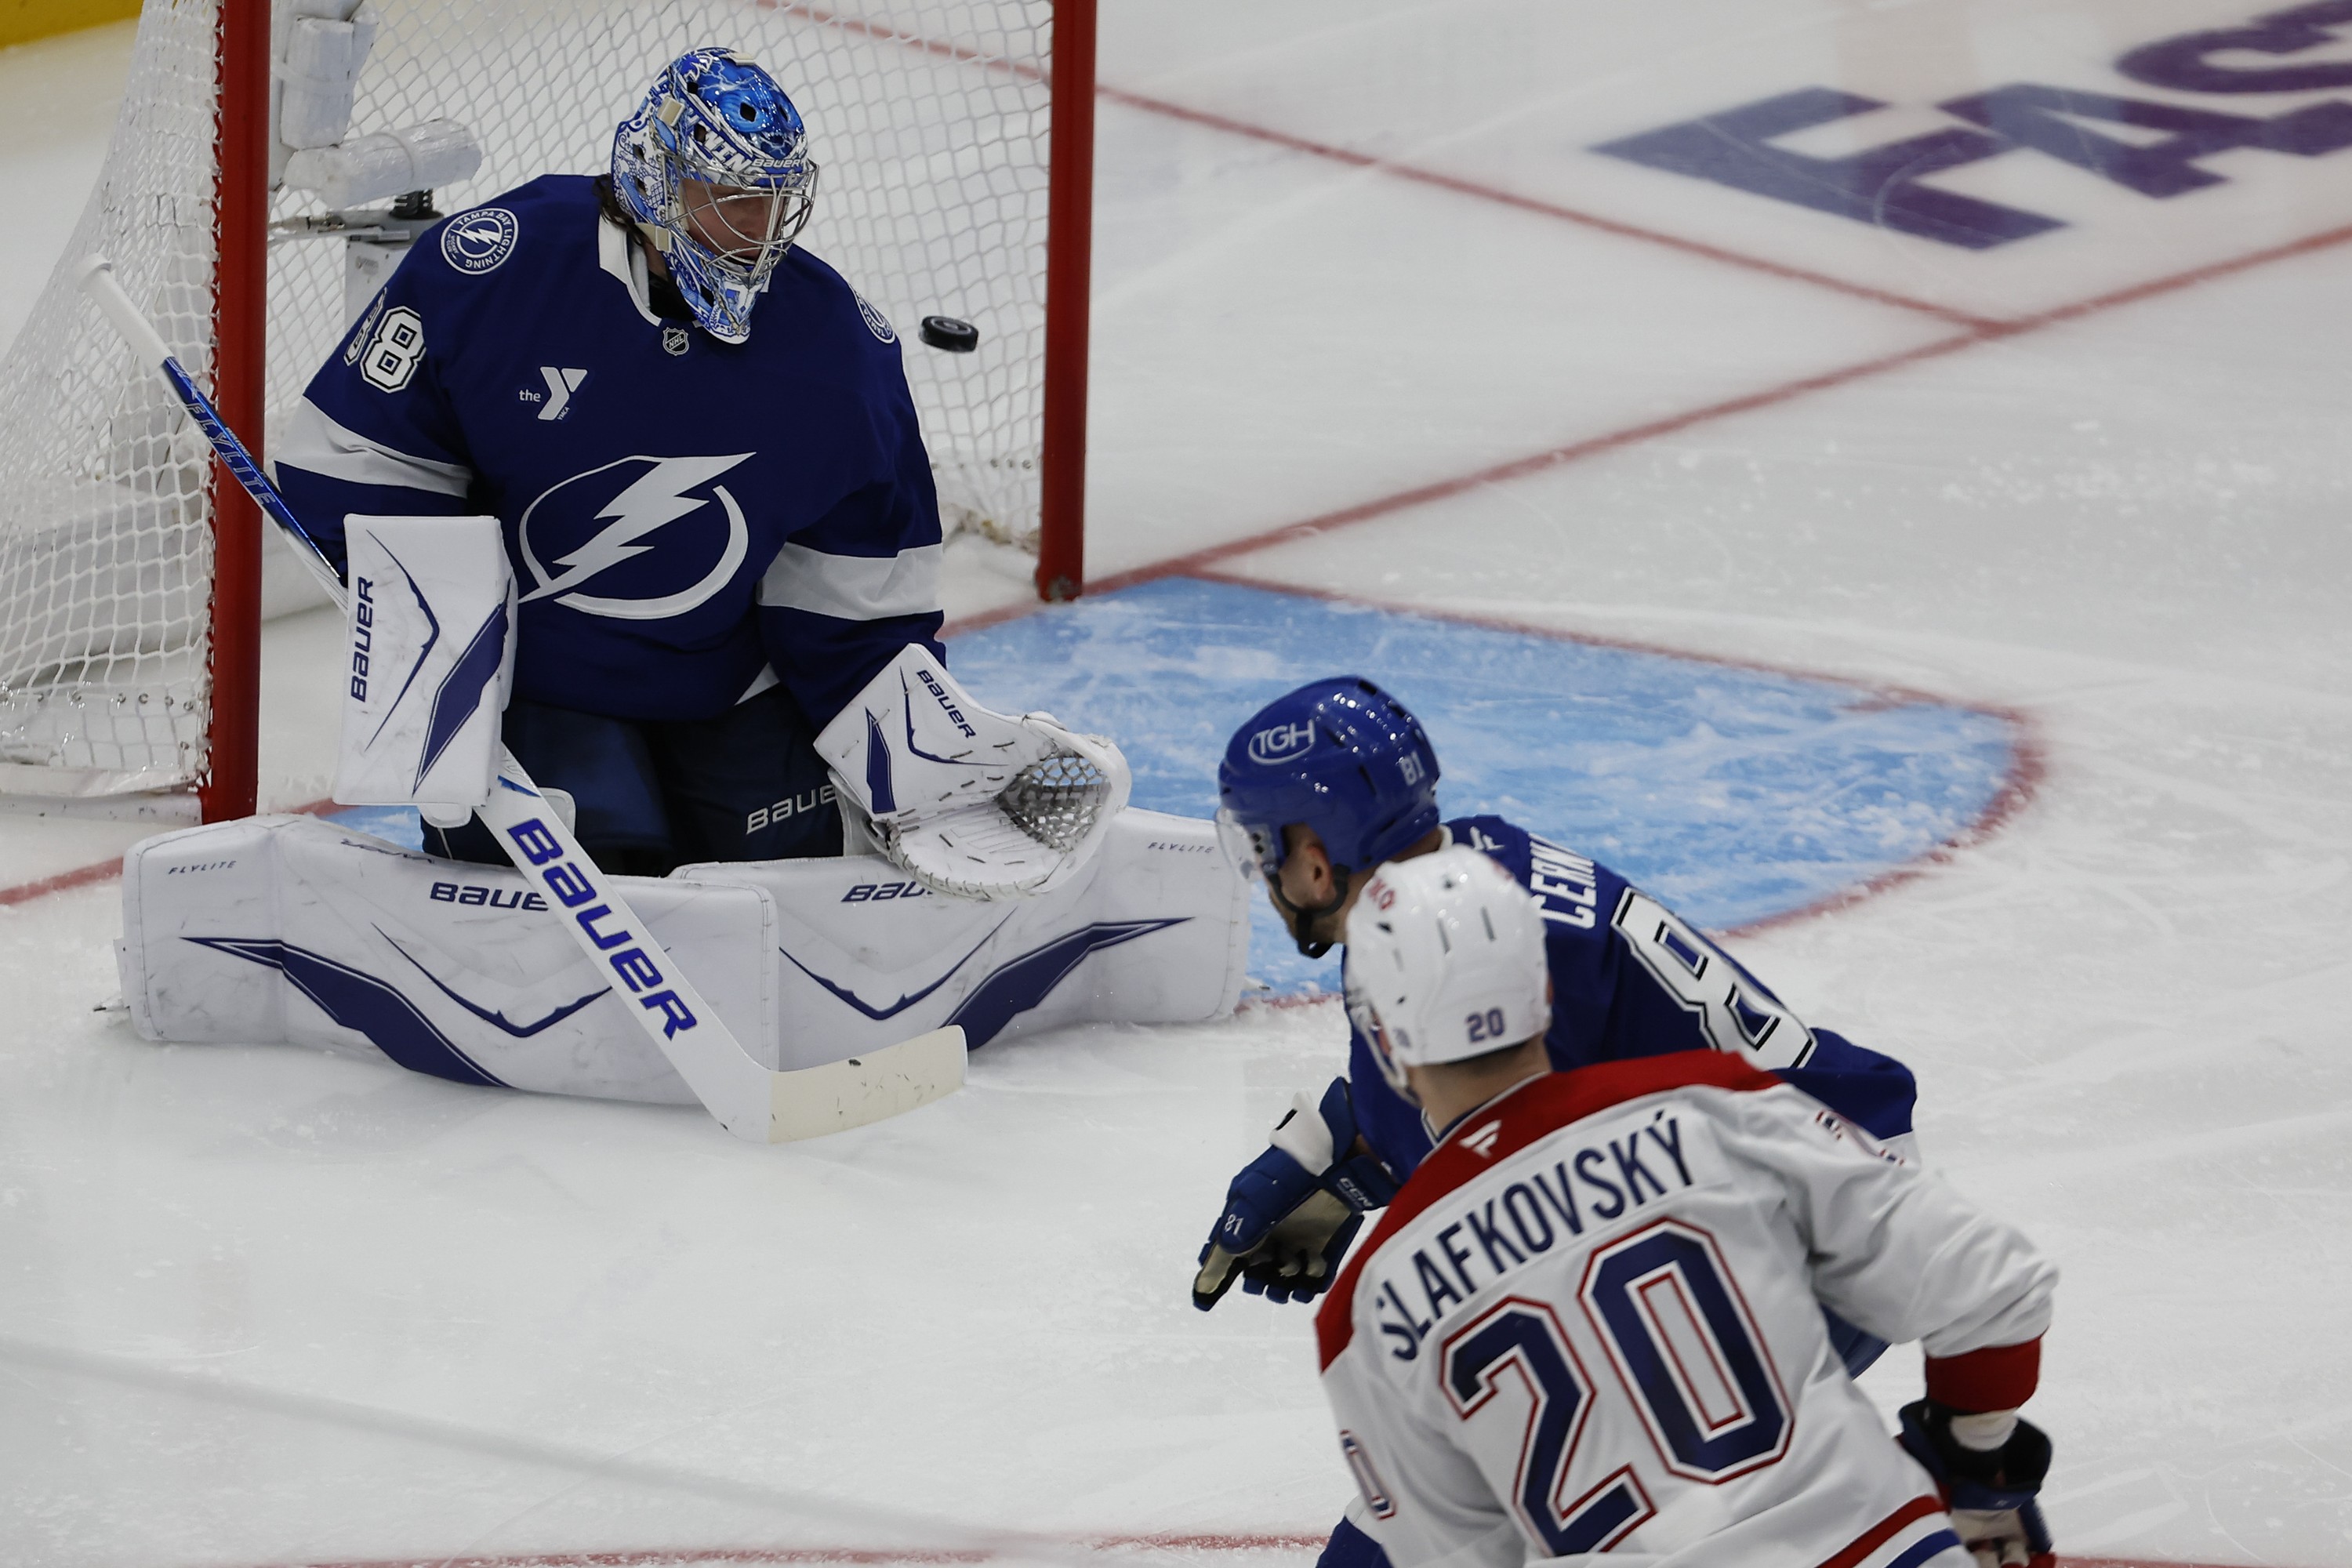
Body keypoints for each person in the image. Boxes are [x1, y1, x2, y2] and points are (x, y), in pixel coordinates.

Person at [1196, 677, 1927, 1567]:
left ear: (1317, 859)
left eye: (1264, 848)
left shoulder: (1456, 937)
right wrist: (1338, 1152)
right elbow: (1510, 1099)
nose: (1265, 877)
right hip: (1807, 1178)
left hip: (1813, 1227)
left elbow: (1512, 1169)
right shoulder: (1462, 887)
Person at [274, 46, 946, 876]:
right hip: (534, 683)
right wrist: (445, 664)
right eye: (728, 197)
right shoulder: (495, 270)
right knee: (597, 863)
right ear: (656, 178)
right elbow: (358, 462)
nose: (757, 229)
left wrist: (916, 754)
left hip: (726, 684)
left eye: (772, 201)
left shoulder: (838, 349)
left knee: (793, 869)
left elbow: (865, 581)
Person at [1318, 847, 2059, 1568]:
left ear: (1384, 1036)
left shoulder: (1369, 1308)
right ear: (1542, 989)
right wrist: (1970, 1460)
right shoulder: (1716, 1104)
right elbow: (1996, 1288)